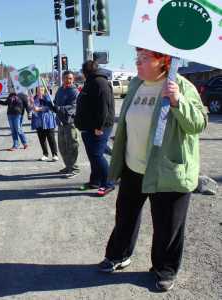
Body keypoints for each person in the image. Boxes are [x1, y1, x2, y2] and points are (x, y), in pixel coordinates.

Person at [98, 48, 208, 291]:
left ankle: (165, 269)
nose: (138, 63)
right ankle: (119, 255)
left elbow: (198, 124)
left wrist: (179, 101)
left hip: (167, 171)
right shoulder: (137, 84)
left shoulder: (180, 85)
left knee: (167, 226)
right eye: (137, 58)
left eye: (144, 59)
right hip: (133, 167)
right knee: (125, 216)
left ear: (162, 61)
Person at [75, 60, 115, 196]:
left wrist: (99, 126)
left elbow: (103, 108)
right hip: (88, 127)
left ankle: (109, 183)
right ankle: (95, 181)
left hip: (99, 127)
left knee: (97, 155)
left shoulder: (100, 83)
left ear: (86, 72)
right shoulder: (91, 82)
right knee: (93, 156)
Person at [53, 71, 79, 178]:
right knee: (62, 146)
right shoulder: (59, 90)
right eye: (66, 78)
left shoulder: (74, 92)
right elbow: (55, 102)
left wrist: (59, 108)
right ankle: (68, 166)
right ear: (62, 79)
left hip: (70, 123)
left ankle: (74, 168)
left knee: (72, 146)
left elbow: (73, 107)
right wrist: (50, 105)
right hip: (60, 122)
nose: (68, 80)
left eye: (70, 78)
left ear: (73, 79)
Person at [31, 86, 58, 161]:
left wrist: (39, 109)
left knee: (51, 138)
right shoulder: (34, 98)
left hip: (48, 121)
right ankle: (45, 154)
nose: (40, 91)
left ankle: (54, 154)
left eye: (42, 90)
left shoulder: (48, 97)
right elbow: (32, 108)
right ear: (36, 91)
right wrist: (31, 104)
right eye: (39, 90)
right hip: (38, 121)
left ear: (44, 90)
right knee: (42, 139)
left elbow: (50, 107)